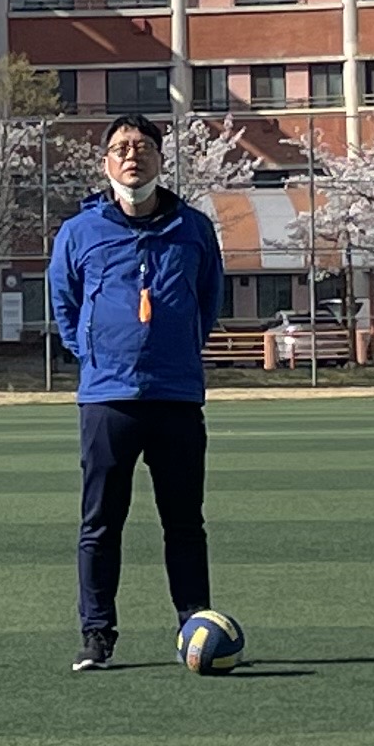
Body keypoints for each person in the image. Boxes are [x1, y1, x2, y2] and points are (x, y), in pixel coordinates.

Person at [49, 115, 229, 672]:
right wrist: (95, 353)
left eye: (144, 147)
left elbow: (208, 300)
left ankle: (194, 627)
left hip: (176, 397)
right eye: (122, 148)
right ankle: (97, 634)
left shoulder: (194, 228)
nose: (133, 156)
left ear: (160, 158)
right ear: (106, 161)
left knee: (185, 522)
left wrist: (176, 349)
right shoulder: (79, 232)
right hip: (108, 399)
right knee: (101, 522)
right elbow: (64, 303)